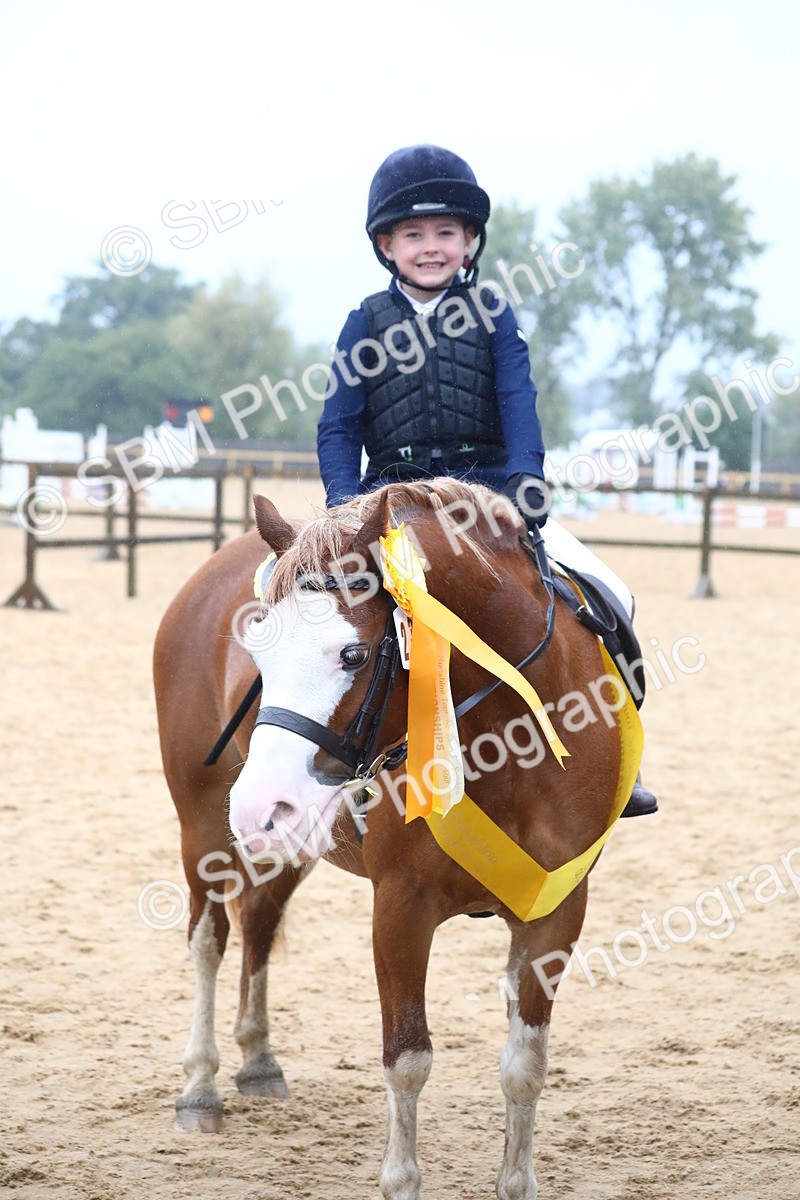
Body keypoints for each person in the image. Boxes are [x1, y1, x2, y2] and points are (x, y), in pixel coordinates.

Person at [317, 144, 656, 818]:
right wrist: (340, 503)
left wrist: (527, 479)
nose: (431, 247)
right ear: (386, 245)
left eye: (446, 232)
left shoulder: (495, 314)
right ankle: (321, 767)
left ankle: (618, 759)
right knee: (322, 626)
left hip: (490, 493)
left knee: (613, 595)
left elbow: (517, 399)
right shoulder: (363, 321)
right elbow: (337, 425)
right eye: (413, 234)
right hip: (396, 500)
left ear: (470, 241)